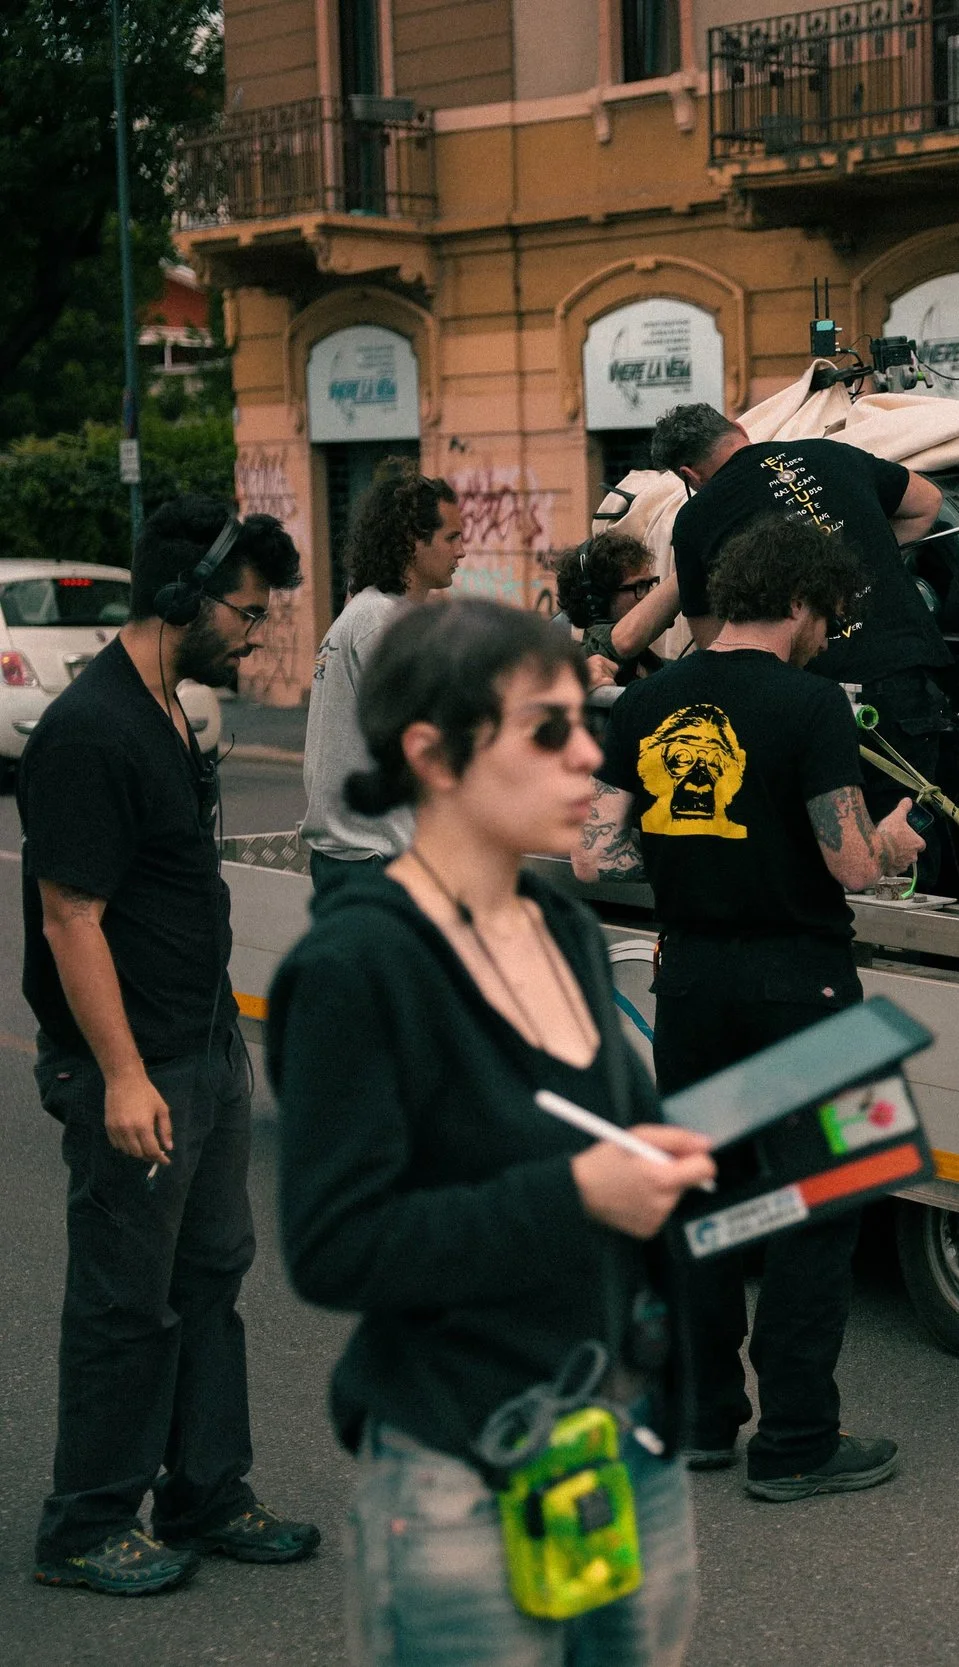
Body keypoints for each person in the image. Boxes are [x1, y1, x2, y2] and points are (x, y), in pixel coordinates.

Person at [273, 599, 717, 1664]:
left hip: (619, 1446)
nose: (589, 753)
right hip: (460, 1468)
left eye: (587, 718)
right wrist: (579, 1194)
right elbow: (336, 1244)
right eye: (547, 727)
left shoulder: (560, 921)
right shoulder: (355, 967)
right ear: (432, 751)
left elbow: (613, 1134)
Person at [574, 515, 922, 1503]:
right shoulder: (811, 704)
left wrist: (694, 855)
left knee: (706, 1202)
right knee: (824, 1202)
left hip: (688, 986)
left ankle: (702, 1417)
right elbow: (849, 862)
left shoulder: (645, 703)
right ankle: (798, 1436)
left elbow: (593, 855)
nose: (828, 633)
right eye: (831, 614)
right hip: (801, 991)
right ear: (805, 602)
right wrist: (894, 841)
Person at [24, 496, 318, 1596]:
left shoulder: (166, 711)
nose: (254, 634)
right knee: (124, 1297)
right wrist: (123, 1074)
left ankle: (205, 1491)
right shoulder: (91, 731)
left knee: (208, 1279)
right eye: (245, 611)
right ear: (180, 599)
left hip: (200, 1048)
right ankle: (88, 1521)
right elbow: (70, 916)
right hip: (136, 1062)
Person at [645, 401, 952, 807]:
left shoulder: (696, 517)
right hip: (904, 675)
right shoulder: (833, 452)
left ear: (689, 475)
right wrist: (858, 564)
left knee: (823, 843)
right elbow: (928, 501)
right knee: (911, 830)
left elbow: (713, 641)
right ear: (738, 428)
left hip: (801, 700)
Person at [302, 464, 467, 895]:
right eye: (451, 537)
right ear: (414, 542)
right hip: (373, 860)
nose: (462, 551)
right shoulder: (381, 621)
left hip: (360, 856)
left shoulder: (376, 613)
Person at [553, 531, 665, 688]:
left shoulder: (649, 664)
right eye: (640, 586)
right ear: (599, 601)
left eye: (650, 584)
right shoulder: (566, 666)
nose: (651, 597)